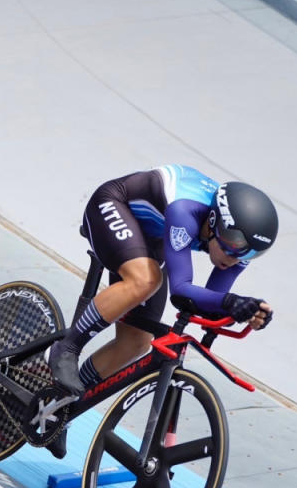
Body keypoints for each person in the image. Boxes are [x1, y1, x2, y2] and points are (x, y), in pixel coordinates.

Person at [48, 164, 278, 405]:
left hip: (152, 235)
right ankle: (67, 348)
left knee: (136, 343)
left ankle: (62, 401)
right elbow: (181, 290)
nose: (234, 257)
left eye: (249, 253)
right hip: (115, 203)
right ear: (212, 221)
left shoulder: (240, 251)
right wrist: (231, 302)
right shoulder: (185, 212)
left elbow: (210, 302)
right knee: (145, 280)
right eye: (232, 242)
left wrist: (246, 310)